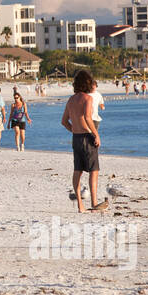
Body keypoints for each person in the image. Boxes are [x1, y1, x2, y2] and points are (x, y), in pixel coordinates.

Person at [61, 69, 101, 212]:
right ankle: (94, 203)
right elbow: (88, 118)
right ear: (88, 83)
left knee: (77, 170)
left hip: (76, 138)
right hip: (86, 136)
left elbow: (64, 121)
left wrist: (74, 129)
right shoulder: (87, 99)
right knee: (93, 170)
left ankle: (80, 204)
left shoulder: (71, 99)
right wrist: (96, 134)